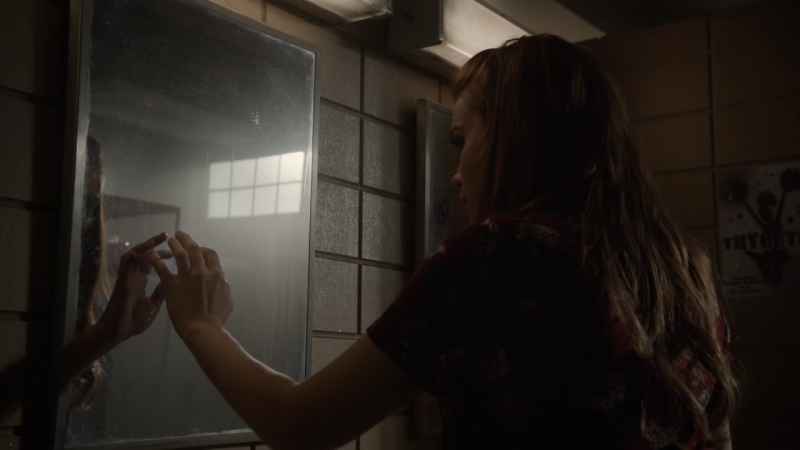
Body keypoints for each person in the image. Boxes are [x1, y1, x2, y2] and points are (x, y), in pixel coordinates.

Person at [149, 34, 738, 450]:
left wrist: (200, 325)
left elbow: (297, 426)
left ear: (512, 133)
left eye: (461, 141)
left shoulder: (498, 255)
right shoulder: (683, 275)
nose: (457, 175)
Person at [0, 137, 170, 425]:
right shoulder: (27, 298)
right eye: (81, 204)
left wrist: (108, 334)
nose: (85, 222)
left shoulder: (93, 308)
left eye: (91, 205)